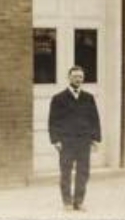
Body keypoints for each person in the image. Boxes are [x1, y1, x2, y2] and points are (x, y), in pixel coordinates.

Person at [48, 65, 101, 211]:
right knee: (66, 171)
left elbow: (94, 119)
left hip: (84, 141)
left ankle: (79, 201)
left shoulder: (88, 98)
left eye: (81, 77)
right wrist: (56, 140)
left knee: (83, 172)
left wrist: (95, 139)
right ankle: (67, 202)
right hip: (66, 141)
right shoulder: (58, 98)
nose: (78, 79)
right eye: (75, 76)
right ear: (69, 78)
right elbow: (53, 121)